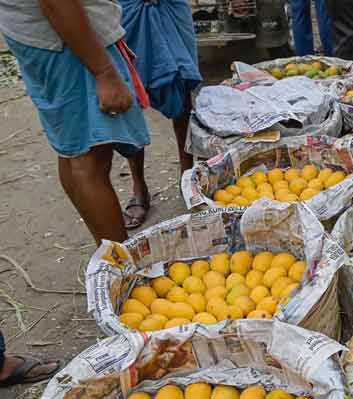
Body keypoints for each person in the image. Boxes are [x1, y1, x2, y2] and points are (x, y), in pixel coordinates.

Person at [0, 0, 151, 244]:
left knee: (74, 151)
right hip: (69, 39)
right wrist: (104, 72)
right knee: (90, 158)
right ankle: (122, 269)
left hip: (44, 35)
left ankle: (110, 258)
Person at [120, 0, 202, 228]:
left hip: (170, 8)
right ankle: (139, 187)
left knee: (182, 84)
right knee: (129, 93)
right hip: (126, 10)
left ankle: (187, 175)